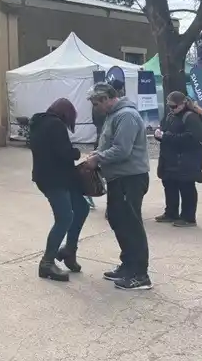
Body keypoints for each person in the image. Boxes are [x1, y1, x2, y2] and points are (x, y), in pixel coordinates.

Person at [84, 83, 152, 291]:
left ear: (107, 98)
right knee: (116, 218)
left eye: (97, 103)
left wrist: (98, 158)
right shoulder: (113, 116)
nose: (96, 108)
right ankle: (128, 264)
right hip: (118, 179)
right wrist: (97, 154)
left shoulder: (126, 116)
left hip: (130, 178)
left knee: (130, 223)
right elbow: (108, 143)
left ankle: (140, 274)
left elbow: (122, 150)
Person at [29, 98, 89, 282]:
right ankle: (47, 263)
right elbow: (64, 152)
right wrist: (78, 153)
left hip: (52, 177)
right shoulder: (56, 125)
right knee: (64, 218)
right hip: (54, 179)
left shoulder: (38, 123)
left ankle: (69, 250)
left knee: (81, 208)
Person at [154, 92, 202, 227]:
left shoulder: (192, 117)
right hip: (170, 159)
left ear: (183, 103)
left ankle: (188, 217)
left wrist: (167, 136)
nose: (171, 109)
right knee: (169, 185)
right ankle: (171, 213)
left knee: (186, 187)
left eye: (174, 106)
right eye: (169, 106)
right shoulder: (171, 115)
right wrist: (158, 134)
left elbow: (192, 138)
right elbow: (164, 130)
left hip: (186, 160)